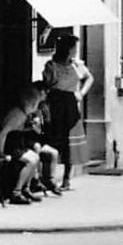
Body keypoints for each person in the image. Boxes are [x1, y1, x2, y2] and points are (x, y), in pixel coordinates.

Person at [41, 32, 92, 191]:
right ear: (67, 49)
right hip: (56, 102)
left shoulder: (77, 65)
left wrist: (81, 93)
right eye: (73, 48)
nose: (76, 50)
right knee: (55, 140)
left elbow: (90, 78)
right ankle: (49, 178)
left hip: (70, 103)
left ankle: (66, 179)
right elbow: (47, 84)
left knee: (69, 142)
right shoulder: (52, 65)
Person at [0, 85, 58, 205]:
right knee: (31, 161)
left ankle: (26, 188)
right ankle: (17, 191)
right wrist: (1, 153)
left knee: (35, 157)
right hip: (11, 146)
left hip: (17, 143)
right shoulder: (18, 114)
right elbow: (3, 133)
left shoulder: (23, 113)